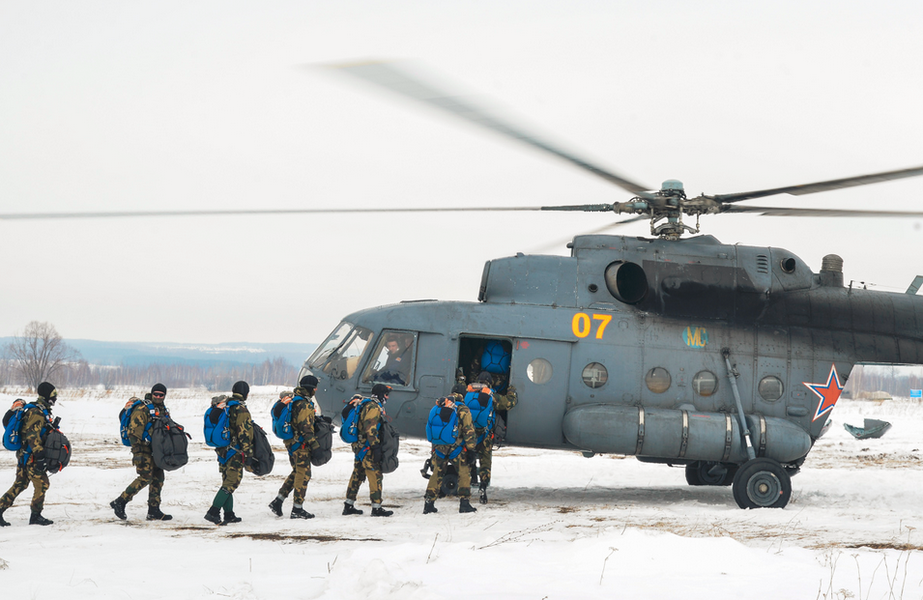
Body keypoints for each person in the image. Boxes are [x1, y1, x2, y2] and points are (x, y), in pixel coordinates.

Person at [110, 383, 173, 521]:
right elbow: (133, 432)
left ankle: (154, 510)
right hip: (142, 450)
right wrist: (138, 450)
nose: (158, 397)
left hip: (156, 451)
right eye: (155, 394)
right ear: (151, 393)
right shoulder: (143, 408)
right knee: (145, 477)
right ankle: (120, 502)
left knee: (158, 478)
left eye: (161, 395)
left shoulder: (163, 410)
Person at [0, 382, 58, 526]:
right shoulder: (37, 413)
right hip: (31, 456)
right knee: (42, 483)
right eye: (53, 395)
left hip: (24, 455)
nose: (55, 398)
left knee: (20, 484)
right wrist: (40, 456)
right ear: (46, 396)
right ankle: (36, 516)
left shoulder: (36, 409)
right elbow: (33, 436)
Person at [268, 375, 321, 519]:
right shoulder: (303, 403)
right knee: (303, 474)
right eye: (315, 387)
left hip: (293, 443)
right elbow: (305, 427)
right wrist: (315, 445)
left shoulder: (295, 400)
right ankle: (297, 509)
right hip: (301, 445)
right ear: (310, 388)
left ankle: (278, 501)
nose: (316, 389)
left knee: (297, 472)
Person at [204, 381, 254, 525]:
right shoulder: (240, 409)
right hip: (235, 452)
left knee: (227, 481)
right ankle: (213, 512)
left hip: (223, 451)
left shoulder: (226, 406)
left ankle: (229, 514)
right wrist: (248, 453)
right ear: (246, 393)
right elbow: (244, 433)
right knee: (232, 482)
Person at [464, 371, 518, 504]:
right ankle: (483, 487)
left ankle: (470, 480)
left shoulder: (467, 393)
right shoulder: (491, 395)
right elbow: (509, 403)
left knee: (469, 456)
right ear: (490, 382)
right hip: (485, 434)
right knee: (485, 461)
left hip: (469, 434)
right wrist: (511, 391)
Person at [343, 383, 393, 517]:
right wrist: (375, 446)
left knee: (357, 475)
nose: (387, 397)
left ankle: (348, 505)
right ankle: (377, 508)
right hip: (367, 447)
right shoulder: (373, 407)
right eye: (386, 394)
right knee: (375, 475)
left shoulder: (365, 404)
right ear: (381, 395)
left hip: (360, 446)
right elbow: (370, 428)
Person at [423, 394, 478, 514]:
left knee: (437, 474)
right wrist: (471, 449)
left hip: (439, 448)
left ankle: (429, 503)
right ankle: (464, 503)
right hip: (456, 449)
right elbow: (468, 430)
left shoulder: (439, 407)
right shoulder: (463, 409)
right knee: (463, 473)